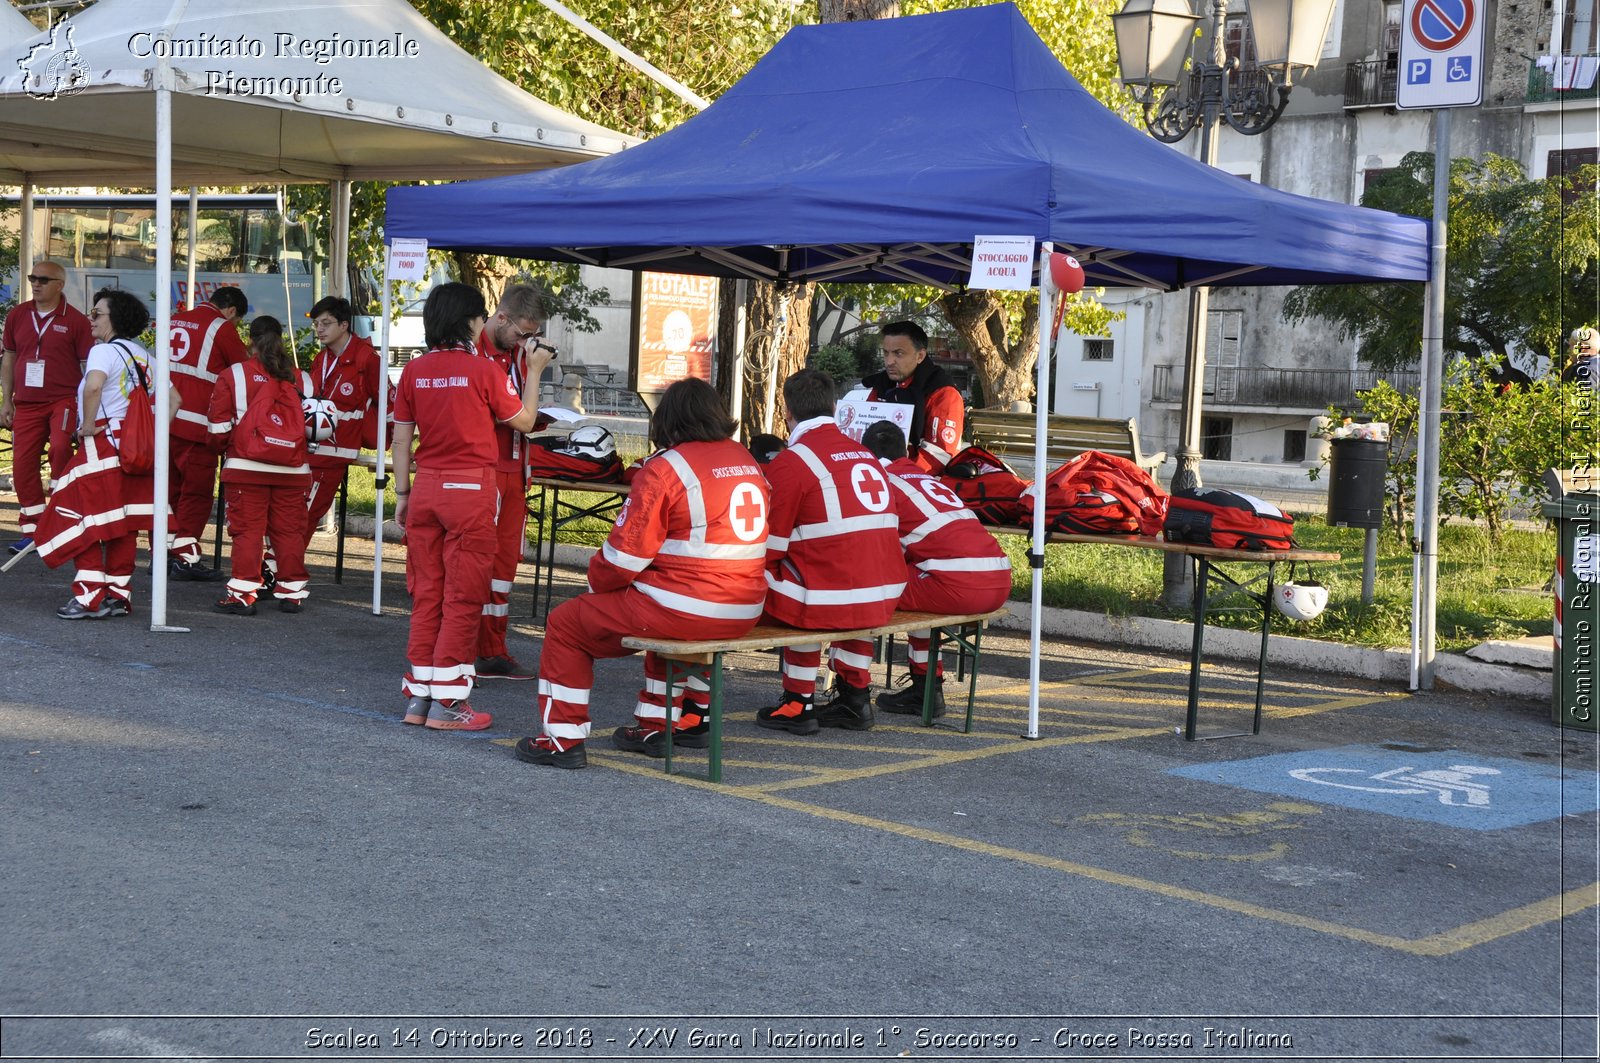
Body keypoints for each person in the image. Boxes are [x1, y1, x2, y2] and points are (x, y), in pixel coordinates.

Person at [515, 377, 770, 768]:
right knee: (657, 607)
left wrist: (596, 586)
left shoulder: (666, 467)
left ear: (667, 419)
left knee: (566, 624)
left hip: (688, 607)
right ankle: (655, 725)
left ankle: (562, 740)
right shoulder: (744, 459)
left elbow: (622, 558)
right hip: (745, 607)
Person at [391, 283, 552, 731]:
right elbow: (523, 419)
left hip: (425, 490)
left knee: (426, 597)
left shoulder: (414, 371)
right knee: (462, 600)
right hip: (471, 492)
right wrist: (535, 371)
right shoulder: (482, 371)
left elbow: (401, 438)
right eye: (480, 317)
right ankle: (449, 703)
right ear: (469, 321)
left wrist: (403, 494)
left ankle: (419, 698)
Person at [756, 369, 907, 735]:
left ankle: (797, 701)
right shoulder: (866, 455)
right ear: (836, 407)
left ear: (787, 413)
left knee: (773, 576)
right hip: (883, 595)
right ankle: (855, 698)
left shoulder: (792, 463)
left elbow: (769, 549)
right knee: (830, 583)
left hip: (829, 599)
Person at [34, 289, 174, 618]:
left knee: (74, 513)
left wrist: (85, 427)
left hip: (102, 444)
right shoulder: (146, 358)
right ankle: (116, 594)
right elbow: (175, 400)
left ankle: (88, 595)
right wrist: (152, 434)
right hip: (135, 449)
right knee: (122, 522)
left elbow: (94, 386)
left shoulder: (104, 352)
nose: (90, 319)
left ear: (115, 318)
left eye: (97, 314)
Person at [860, 419, 1013, 720]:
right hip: (997, 576)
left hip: (959, 583)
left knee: (861, 591)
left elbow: (872, 548)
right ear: (905, 451)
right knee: (916, 583)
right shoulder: (927, 479)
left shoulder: (881, 483)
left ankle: (852, 690)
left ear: (868, 457)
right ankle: (926, 687)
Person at [205, 316, 313, 616]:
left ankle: (242, 593)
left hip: (246, 467)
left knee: (248, 532)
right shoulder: (301, 378)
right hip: (293, 470)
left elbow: (217, 429)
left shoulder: (234, 375)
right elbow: (314, 427)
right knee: (289, 532)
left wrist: (221, 451)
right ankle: (292, 592)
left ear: (249, 339)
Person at [472, 284, 551, 682]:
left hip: (516, 468)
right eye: (523, 333)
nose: (527, 342)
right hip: (481, 469)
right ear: (501, 318)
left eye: (532, 335)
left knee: (505, 565)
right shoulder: (470, 351)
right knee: (473, 562)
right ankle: (463, 647)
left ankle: (493, 649)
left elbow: (525, 413)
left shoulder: (520, 353)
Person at [0, 261, 95, 554]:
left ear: (59, 285)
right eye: (32, 278)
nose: (36, 284)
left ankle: (60, 518)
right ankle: (33, 528)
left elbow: (88, 368)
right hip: (26, 403)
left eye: (43, 279)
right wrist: (6, 400)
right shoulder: (18, 315)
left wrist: (86, 409)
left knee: (61, 449)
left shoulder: (77, 321)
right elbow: (9, 359)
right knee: (22, 465)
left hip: (63, 399)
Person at [167, 286, 250, 581]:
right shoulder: (222, 328)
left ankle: (162, 553)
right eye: (237, 321)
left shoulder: (176, 318)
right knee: (196, 493)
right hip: (197, 423)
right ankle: (185, 557)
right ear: (231, 311)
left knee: (168, 490)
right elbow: (243, 370)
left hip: (166, 418)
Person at [304, 296, 381, 537]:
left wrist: (397, 445)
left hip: (337, 451)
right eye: (316, 323)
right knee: (292, 514)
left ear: (344, 325)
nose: (319, 329)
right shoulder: (321, 359)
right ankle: (279, 568)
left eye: (326, 323)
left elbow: (390, 405)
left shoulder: (367, 359)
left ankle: (280, 569)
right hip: (310, 448)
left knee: (303, 516)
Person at [861, 320, 963, 473]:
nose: (889, 362)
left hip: (922, 483)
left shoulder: (943, 392)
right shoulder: (882, 384)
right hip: (876, 474)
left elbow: (939, 456)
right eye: (886, 353)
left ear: (920, 356)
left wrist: (898, 476)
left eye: (898, 353)